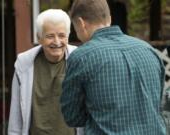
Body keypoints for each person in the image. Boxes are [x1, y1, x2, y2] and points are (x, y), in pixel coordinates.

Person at [60, 0, 166, 134]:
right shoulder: (148, 50)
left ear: (81, 23)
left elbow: (73, 117)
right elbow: (158, 103)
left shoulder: (81, 57)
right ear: (109, 18)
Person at [8, 9, 78, 135]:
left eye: (62, 35)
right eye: (50, 36)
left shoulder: (79, 60)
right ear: (39, 38)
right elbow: (16, 116)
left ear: (68, 37)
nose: (57, 42)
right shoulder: (24, 64)